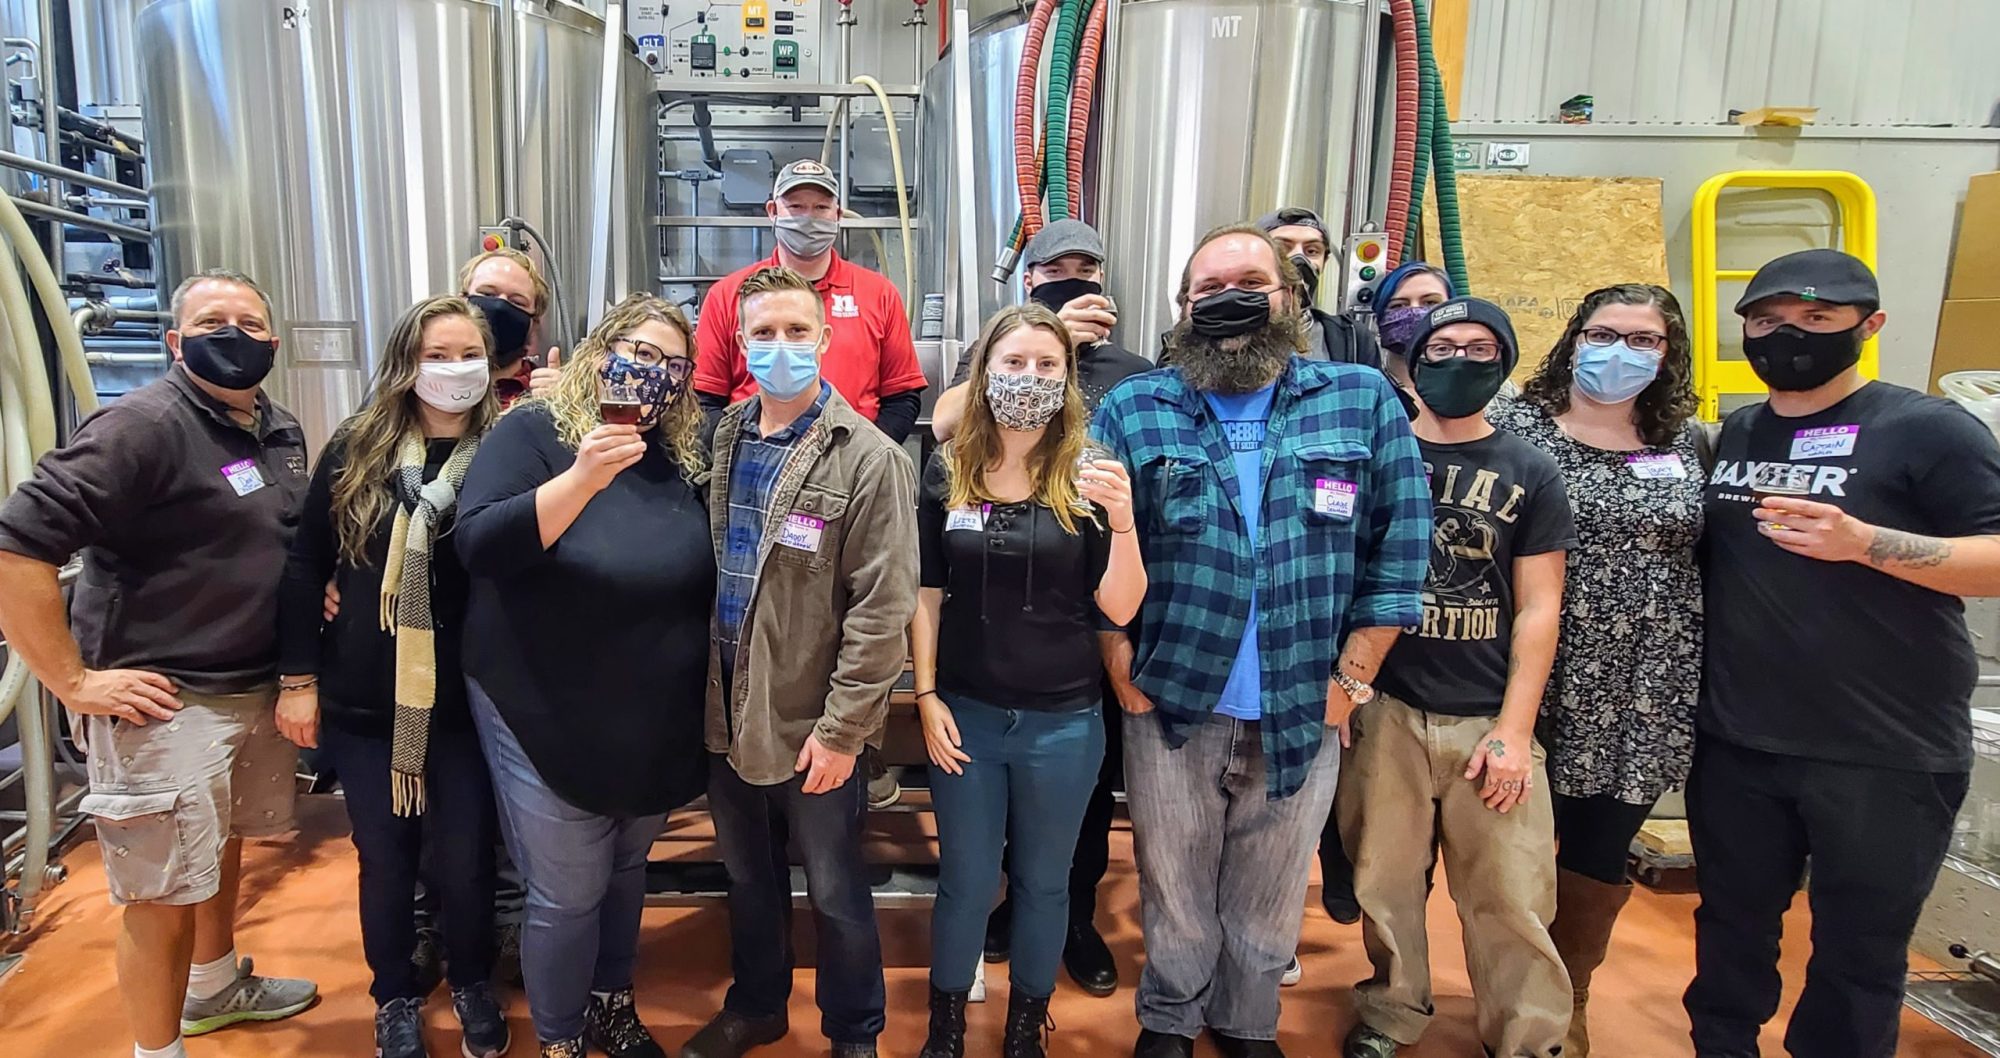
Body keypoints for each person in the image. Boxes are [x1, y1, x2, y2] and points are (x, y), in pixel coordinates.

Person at [1093, 225, 1430, 1058]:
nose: (1228, 299)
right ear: (1181, 310)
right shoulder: (1136, 406)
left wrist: (1351, 680)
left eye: (1249, 281)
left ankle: (1246, 1023)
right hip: (1173, 695)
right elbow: (1091, 544)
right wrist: (1116, 659)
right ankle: (1169, 1019)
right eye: (1206, 289)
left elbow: (1401, 549)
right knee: (1172, 885)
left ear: (1290, 295)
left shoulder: (1358, 399)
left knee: (1272, 890)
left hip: (1303, 697)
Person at [1684, 249, 2000, 1058]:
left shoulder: (1927, 429)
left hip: (1885, 750)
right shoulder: (1738, 433)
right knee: (1730, 931)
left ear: (1870, 325)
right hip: (1741, 741)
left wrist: (1869, 544)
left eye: (1817, 320)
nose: (1789, 336)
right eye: (1768, 322)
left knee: (1859, 954)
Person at [0, 269, 317, 1058]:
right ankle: (157, 1050)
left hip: (248, 686)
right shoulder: (141, 426)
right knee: (160, 894)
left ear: (273, 344)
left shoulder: (275, 428)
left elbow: (274, 540)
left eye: (250, 323)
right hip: (164, 702)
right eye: (214, 321)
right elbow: (17, 541)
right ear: (175, 342)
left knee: (215, 856)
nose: (234, 335)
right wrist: (71, 680)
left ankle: (216, 985)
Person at [454, 293, 715, 1058]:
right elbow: (480, 544)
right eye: (636, 351)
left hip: (648, 710)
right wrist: (582, 480)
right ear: (601, 351)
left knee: (628, 866)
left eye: (671, 363)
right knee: (568, 891)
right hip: (542, 700)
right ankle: (561, 1039)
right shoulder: (536, 433)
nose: (651, 373)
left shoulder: (680, 455)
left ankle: (611, 1001)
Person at [686, 266, 917, 1058]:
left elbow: (883, 610)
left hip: (813, 722)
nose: (779, 348)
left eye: (796, 332)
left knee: (835, 889)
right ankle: (758, 1004)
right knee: (747, 880)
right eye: (763, 334)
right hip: (725, 713)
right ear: (739, 344)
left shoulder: (870, 459)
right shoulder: (720, 441)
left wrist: (846, 730)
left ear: (825, 339)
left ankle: (855, 1032)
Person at [1339, 296, 1576, 1058]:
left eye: (1480, 349)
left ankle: (1529, 1037)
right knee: (1384, 880)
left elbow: (1539, 608)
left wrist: (1514, 729)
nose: (1459, 362)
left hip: (1486, 714)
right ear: (1413, 358)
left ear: (1503, 362)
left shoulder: (1530, 469)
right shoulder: (1377, 456)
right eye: (1443, 347)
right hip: (1389, 706)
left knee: (1509, 893)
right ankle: (1390, 1013)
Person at [274, 296, 508, 1058]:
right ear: (408, 363)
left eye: (468, 353)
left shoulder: (512, 448)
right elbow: (310, 564)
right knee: (386, 857)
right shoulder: (358, 447)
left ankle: (472, 980)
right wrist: (298, 680)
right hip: (370, 698)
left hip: (473, 702)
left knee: (468, 855)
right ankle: (394, 994)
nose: (455, 370)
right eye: (438, 355)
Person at [910, 304, 1146, 1058]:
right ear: (984, 373)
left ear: (1068, 378)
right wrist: (925, 695)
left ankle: (1024, 1034)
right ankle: (944, 1032)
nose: (1029, 378)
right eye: (1013, 363)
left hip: (1065, 724)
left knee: (1046, 885)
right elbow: (925, 594)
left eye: (1047, 365)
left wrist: (1126, 522)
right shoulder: (947, 468)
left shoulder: (1093, 470)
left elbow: (1120, 605)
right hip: (968, 716)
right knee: (967, 884)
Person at [1486, 284, 1704, 1057]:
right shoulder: (1514, 425)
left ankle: (1566, 1000)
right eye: (1605, 333)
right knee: (1502, 845)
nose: (1621, 352)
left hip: (1644, 681)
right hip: (1526, 666)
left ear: (1668, 353)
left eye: (1643, 340)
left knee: (1598, 847)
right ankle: (1510, 993)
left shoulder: (1689, 441)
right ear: (1574, 339)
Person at [693, 159, 929, 444]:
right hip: (755, 464)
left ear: (838, 215)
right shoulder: (728, 295)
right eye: (796, 207)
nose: (809, 218)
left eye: (821, 208)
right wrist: (744, 454)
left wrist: (862, 459)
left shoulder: (880, 294)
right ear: (772, 211)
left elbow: (901, 398)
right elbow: (703, 400)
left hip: (849, 469)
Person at [931, 219, 1152, 441]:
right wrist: (1052, 341)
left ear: (1100, 279)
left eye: (1085, 271)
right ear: (1029, 283)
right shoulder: (1000, 350)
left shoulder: (1132, 370)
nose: (1072, 282)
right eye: (1055, 271)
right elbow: (943, 426)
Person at [1255, 207, 1383, 369]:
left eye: (1312, 251)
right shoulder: (1232, 331)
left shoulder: (1351, 338)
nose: (1299, 259)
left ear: (1324, 261)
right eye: (1282, 248)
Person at [459, 246, 561, 406]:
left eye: (517, 302)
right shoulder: (428, 387)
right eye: (487, 294)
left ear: (533, 324)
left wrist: (563, 407)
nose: (500, 307)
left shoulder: (546, 395)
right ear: (461, 302)